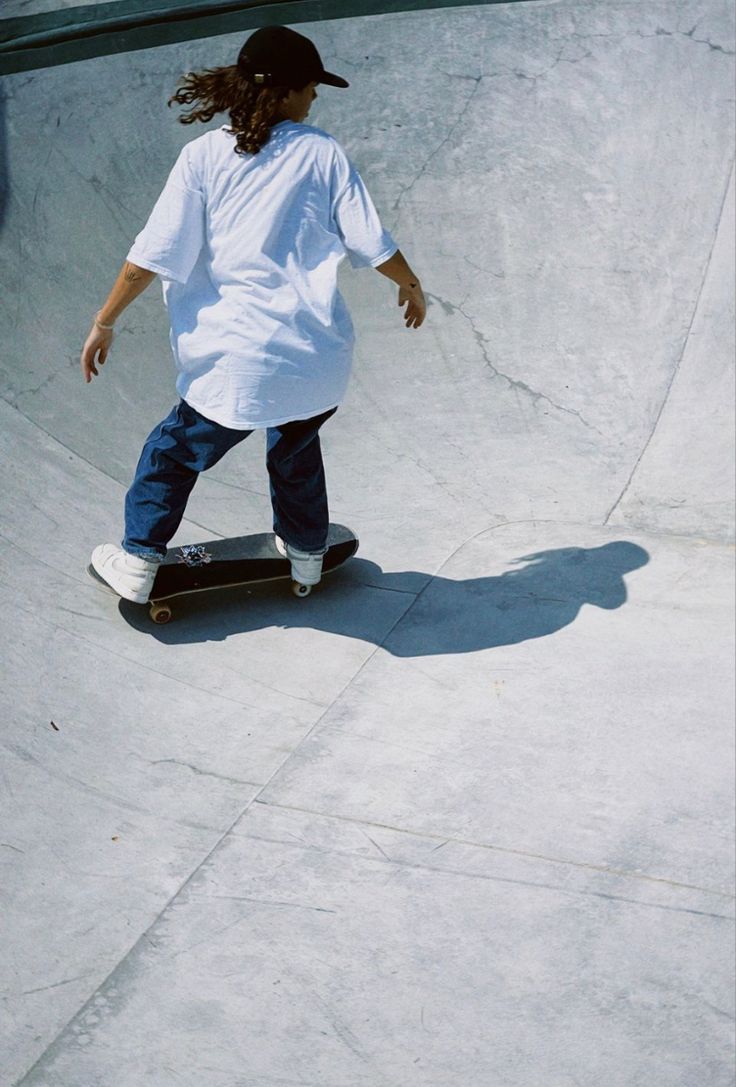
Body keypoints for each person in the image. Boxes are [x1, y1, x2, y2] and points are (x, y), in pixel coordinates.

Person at [80, 24, 426, 604]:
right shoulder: (322, 153)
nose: (315, 100)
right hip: (314, 359)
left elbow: (151, 256)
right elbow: (375, 245)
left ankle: (139, 559)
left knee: (172, 454)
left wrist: (105, 319)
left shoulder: (203, 157)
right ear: (287, 92)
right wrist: (412, 285)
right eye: (312, 88)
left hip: (233, 361)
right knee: (295, 448)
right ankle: (307, 555)